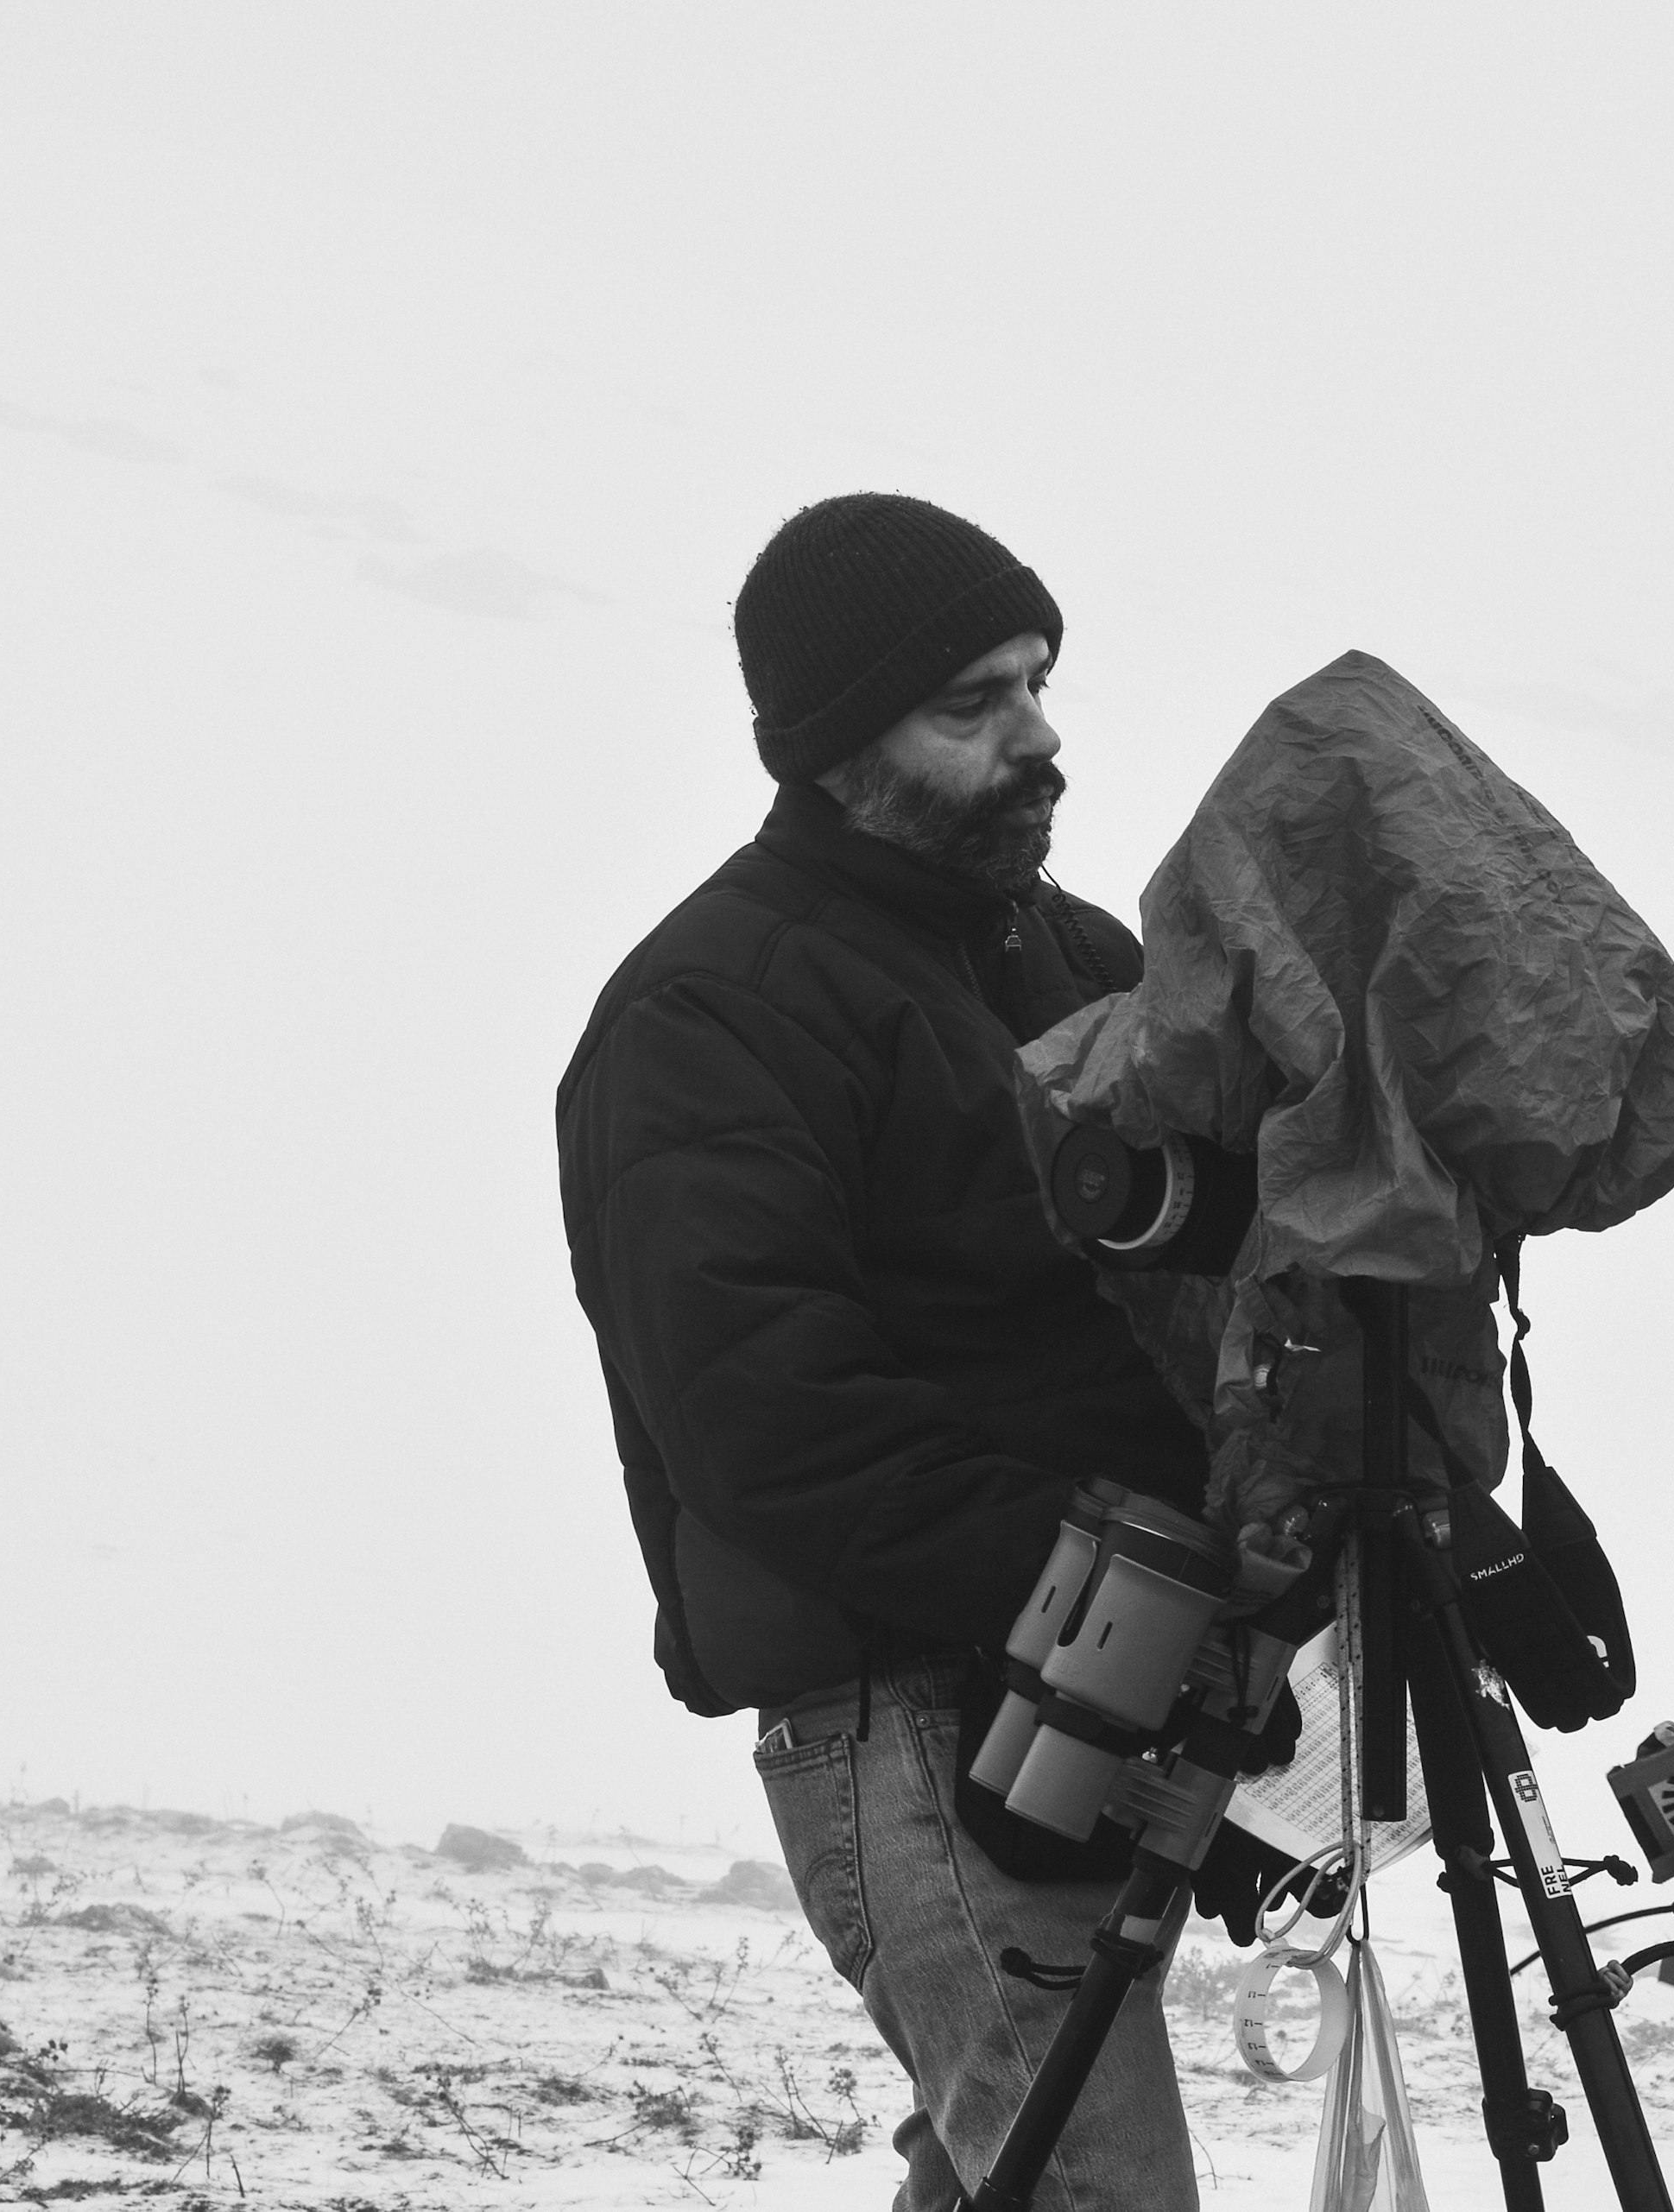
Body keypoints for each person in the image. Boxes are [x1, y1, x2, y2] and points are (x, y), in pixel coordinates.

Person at [558, 493, 1237, 2211]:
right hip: (920, 1724)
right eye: (974, 704)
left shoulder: (1082, 965)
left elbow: (1235, 1293)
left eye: (1037, 679)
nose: (1041, 736)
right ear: (841, 744)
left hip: (1107, 1697)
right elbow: (767, 1418)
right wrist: (1088, 1598)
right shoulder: (712, 1012)